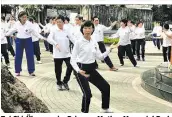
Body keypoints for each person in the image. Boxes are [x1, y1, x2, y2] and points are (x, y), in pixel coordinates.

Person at [70, 20, 115, 113]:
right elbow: (72, 59)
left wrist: (109, 49)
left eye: (89, 28)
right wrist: (78, 70)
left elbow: (100, 56)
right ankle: (84, 112)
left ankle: (104, 108)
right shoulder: (78, 42)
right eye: (85, 28)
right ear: (82, 30)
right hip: (81, 69)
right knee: (87, 94)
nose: (87, 30)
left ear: (92, 29)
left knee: (106, 87)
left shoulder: (94, 41)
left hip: (91, 68)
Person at [6, 11, 46, 76]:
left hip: (28, 40)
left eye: (25, 17)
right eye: (23, 17)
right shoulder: (16, 24)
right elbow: (12, 30)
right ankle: (17, 70)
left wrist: (41, 37)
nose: (25, 18)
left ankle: (31, 71)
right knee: (18, 56)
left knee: (30, 55)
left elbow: (34, 32)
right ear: (19, 18)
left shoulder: (29, 24)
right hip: (19, 41)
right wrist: (6, 34)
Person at [47, 15, 75, 90]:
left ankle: (65, 81)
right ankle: (59, 83)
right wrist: (55, 44)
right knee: (58, 70)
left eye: (61, 22)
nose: (59, 23)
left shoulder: (67, 30)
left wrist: (79, 45)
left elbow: (72, 39)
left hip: (67, 53)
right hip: (57, 54)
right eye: (58, 22)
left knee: (70, 66)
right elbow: (49, 39)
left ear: (64, 22)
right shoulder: (54, 30)